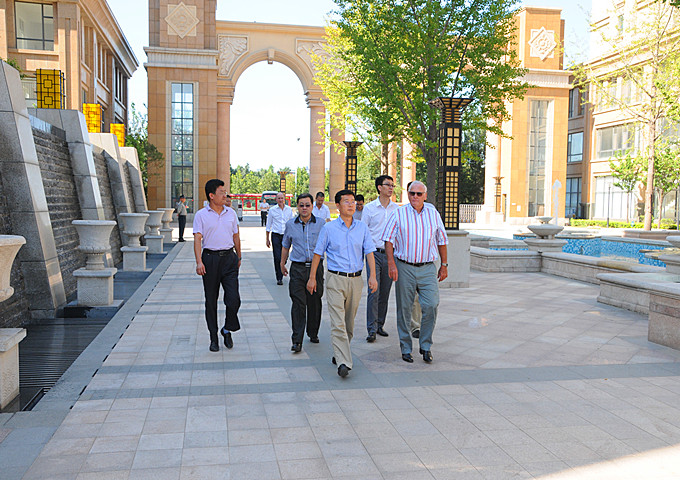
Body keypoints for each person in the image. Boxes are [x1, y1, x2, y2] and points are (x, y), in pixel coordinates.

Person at [307, 189, 377, 378]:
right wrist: (312, 278)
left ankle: (340, 352)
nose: (351, 204)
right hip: (335, 279)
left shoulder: (362, 228)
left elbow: (369, 252)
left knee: (349, 323)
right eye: (346, 201)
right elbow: (318, 253)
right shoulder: (329, 228)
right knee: (338, 322)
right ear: (337, 206)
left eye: (353, 201)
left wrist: (373, 276)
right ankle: (344, 362)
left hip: (356, 280)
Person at [382, 180, 448, 364]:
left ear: (425, 196)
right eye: (412, 193)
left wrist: (444, 265)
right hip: (404, 267)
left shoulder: (433, 214)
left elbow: (442, 240)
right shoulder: (398, 213)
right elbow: (388, 240)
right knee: (404, 309)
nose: (415, 197)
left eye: (419, 194)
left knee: (431, 304)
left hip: (427, 267)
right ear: (408, 194)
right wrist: (391, 264)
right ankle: (405, 347)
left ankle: (425, 345)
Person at [193, 179, 242, 352]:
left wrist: (239, 256)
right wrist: (199, 262)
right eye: (221, 192)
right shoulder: (201, 215)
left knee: (234, 299)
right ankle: (213, 337)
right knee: (211, 300)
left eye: (225, 192)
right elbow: (197, 239)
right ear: (211, 196)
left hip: (229, 258)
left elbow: (236, 236)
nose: (225, 195)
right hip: (210, 260)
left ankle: (227, 328)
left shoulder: (231, 213)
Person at [280, 193, 325, 353]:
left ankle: (313, 332)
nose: (304, 208)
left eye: (307, 205)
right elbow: (286, 245)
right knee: (298, 303)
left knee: (314, 302)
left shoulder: (321, 224)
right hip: (298, 269)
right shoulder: (290, 225)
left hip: (316, 268)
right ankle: (297, 340)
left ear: (312, 206)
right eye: (301, 205)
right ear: (297, 207)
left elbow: (328, 245)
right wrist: (282, 263)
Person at [361, 176, 398, 342]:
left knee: (385, 292)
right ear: (379, 187)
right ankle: (371, 329)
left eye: (392, 185)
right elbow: (363, 232)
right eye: (387, 185)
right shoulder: (369, 209)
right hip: (373, 254)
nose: (391, 188)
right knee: (373, 291)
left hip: (390, 255)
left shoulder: (396, 209)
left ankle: (380, 325)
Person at [266, 192, 293, 285]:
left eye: (282, 198)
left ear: (284, 199)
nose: (280, 200)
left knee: (285, 256)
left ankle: (282, 264)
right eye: (279, 198)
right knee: (277, 256)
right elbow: (268, 225)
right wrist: (267, 239)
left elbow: (291, 223)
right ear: (276, 199)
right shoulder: (272, 210)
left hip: (286, 236)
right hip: (276, 235)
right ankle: (279, 277)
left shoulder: (289, 210)